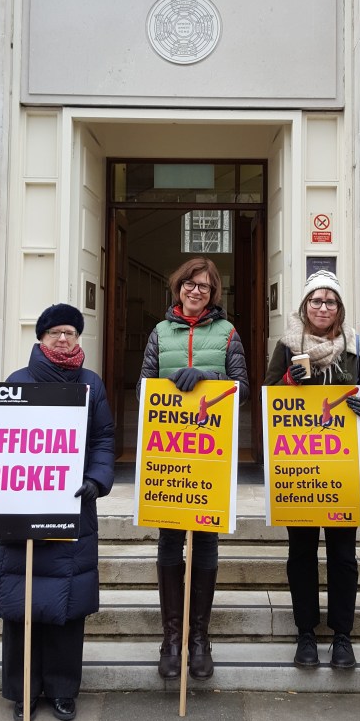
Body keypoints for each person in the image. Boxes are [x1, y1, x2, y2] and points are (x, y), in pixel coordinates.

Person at [0, 303, 115, 721]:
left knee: (67, 608)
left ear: (77, 338)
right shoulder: (17, 382)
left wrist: (97, 479)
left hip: (72, 508)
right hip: (19, 512)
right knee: (21, 606)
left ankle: (64, 691)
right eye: (55, 333)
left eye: (70, 332)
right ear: (41, 339)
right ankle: (23, 692)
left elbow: (103, 437)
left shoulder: (91, 384)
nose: (63, 339)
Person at [137, 256, 249, 681]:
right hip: (169, 456)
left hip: (210, 455)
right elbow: (143, 390)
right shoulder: (159, 333)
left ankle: (199, 639)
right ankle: (171, 639)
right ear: (177, 287)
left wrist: (205, 376)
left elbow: (242, 390)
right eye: (189, 284)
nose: (196, 291)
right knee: (168, 541)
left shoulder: (228, 334)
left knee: (204, 541)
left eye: (204, 285)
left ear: (212, 291)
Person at [264, 270, 360, 670]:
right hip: (299, 465)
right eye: (316, 300)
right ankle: (306, 634)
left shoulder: (356, 347)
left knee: (343, 554)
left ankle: (343, 636)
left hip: (343, 463)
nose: (322, 307)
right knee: (301, 552)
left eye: (330, 302)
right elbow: (267, 398)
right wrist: (286, 382)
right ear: (305, 305)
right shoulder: (288, 344)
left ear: (339, 308)